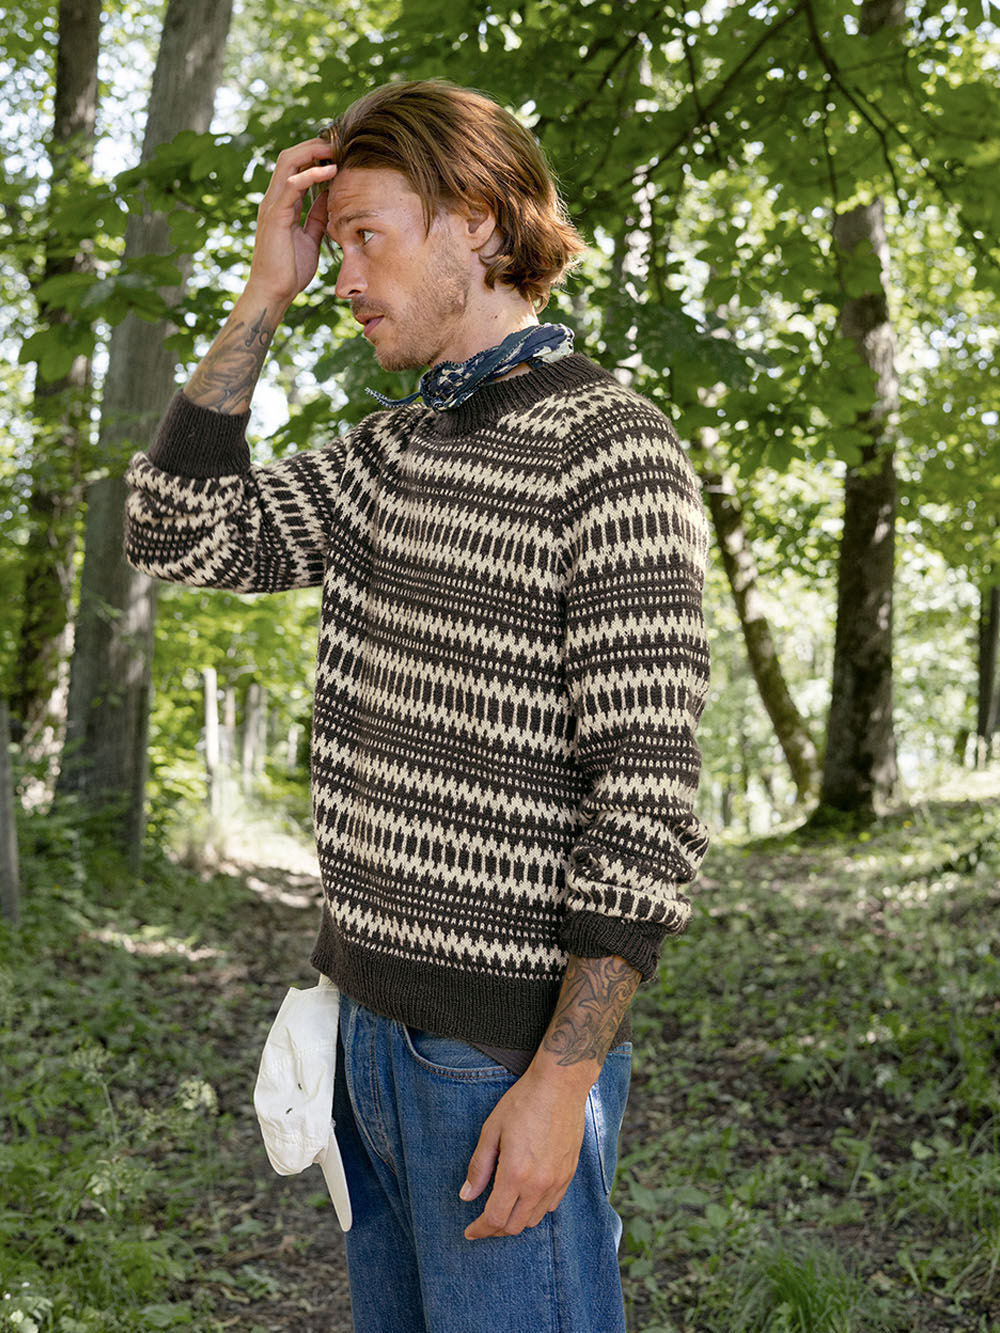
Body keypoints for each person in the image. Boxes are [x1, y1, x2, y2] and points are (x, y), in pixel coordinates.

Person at [124, 78, 710, 1333]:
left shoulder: (609, 450)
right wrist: (262, 292)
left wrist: (561, 1081)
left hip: (496, 1061)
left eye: (365, 238)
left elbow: (647, 801)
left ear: (479, 222)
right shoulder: (386, 454)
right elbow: (176, 529)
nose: (343, 278)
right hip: (362, 1033)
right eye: (332, 246)